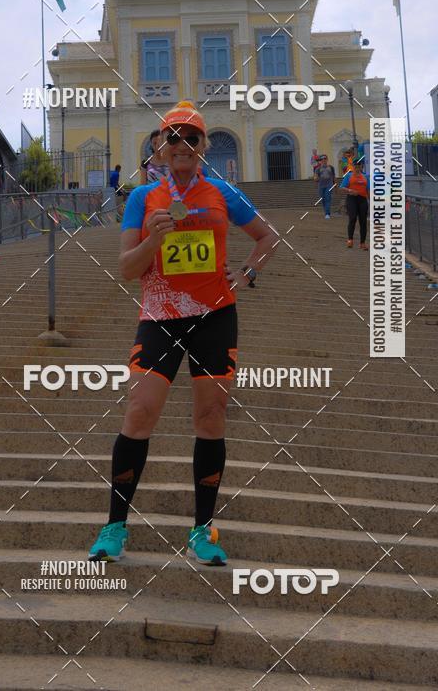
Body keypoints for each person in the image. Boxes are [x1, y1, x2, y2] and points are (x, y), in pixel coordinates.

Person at [88, 100, 276, 566]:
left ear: (203, 147)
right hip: (159, 316)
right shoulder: (141, 198)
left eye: (192, 138)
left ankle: (201, 531)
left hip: (215, 315)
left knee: (211, 417)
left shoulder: (221, 192)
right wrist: (153, 238)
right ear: (159, 146)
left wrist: (247, 275)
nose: (182, 145)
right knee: (140, 411)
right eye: (173, 137)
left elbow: (268, 237)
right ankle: (115, 528)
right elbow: (127, 270)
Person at [340, 157, 370, 249]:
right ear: (353, 166)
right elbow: (342, 187)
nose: (357, 168)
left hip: (362, 200)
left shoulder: (365, 176)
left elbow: (368, 189)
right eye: (355, 166)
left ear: (361, 167)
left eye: (359, 166)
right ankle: (350, 240)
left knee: (363, 221)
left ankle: (362, 243)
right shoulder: (349, 176)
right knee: (352, 218)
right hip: (352, 199)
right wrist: (350, 190)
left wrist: (371, 201)